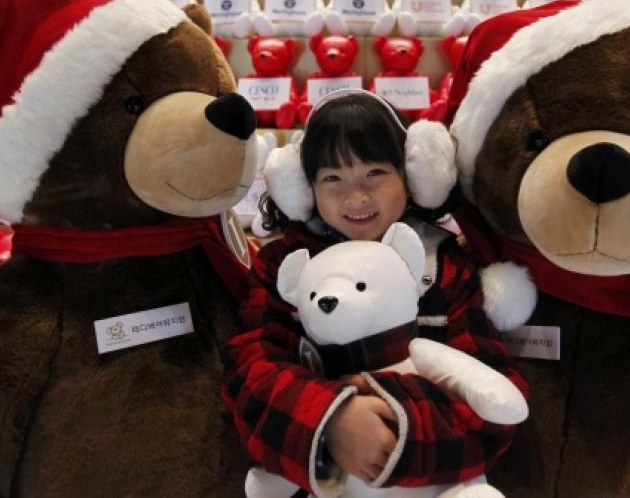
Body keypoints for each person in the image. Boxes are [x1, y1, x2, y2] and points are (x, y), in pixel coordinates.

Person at [222, 89, 527, 495]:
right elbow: (251, 369)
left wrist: (394, 423)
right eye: (332, 178)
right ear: (304, 186)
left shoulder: (448, 266)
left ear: (413, 175)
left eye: (375, 173)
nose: (356, 196)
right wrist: (331, 420)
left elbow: (490, 398)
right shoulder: (284, 265)